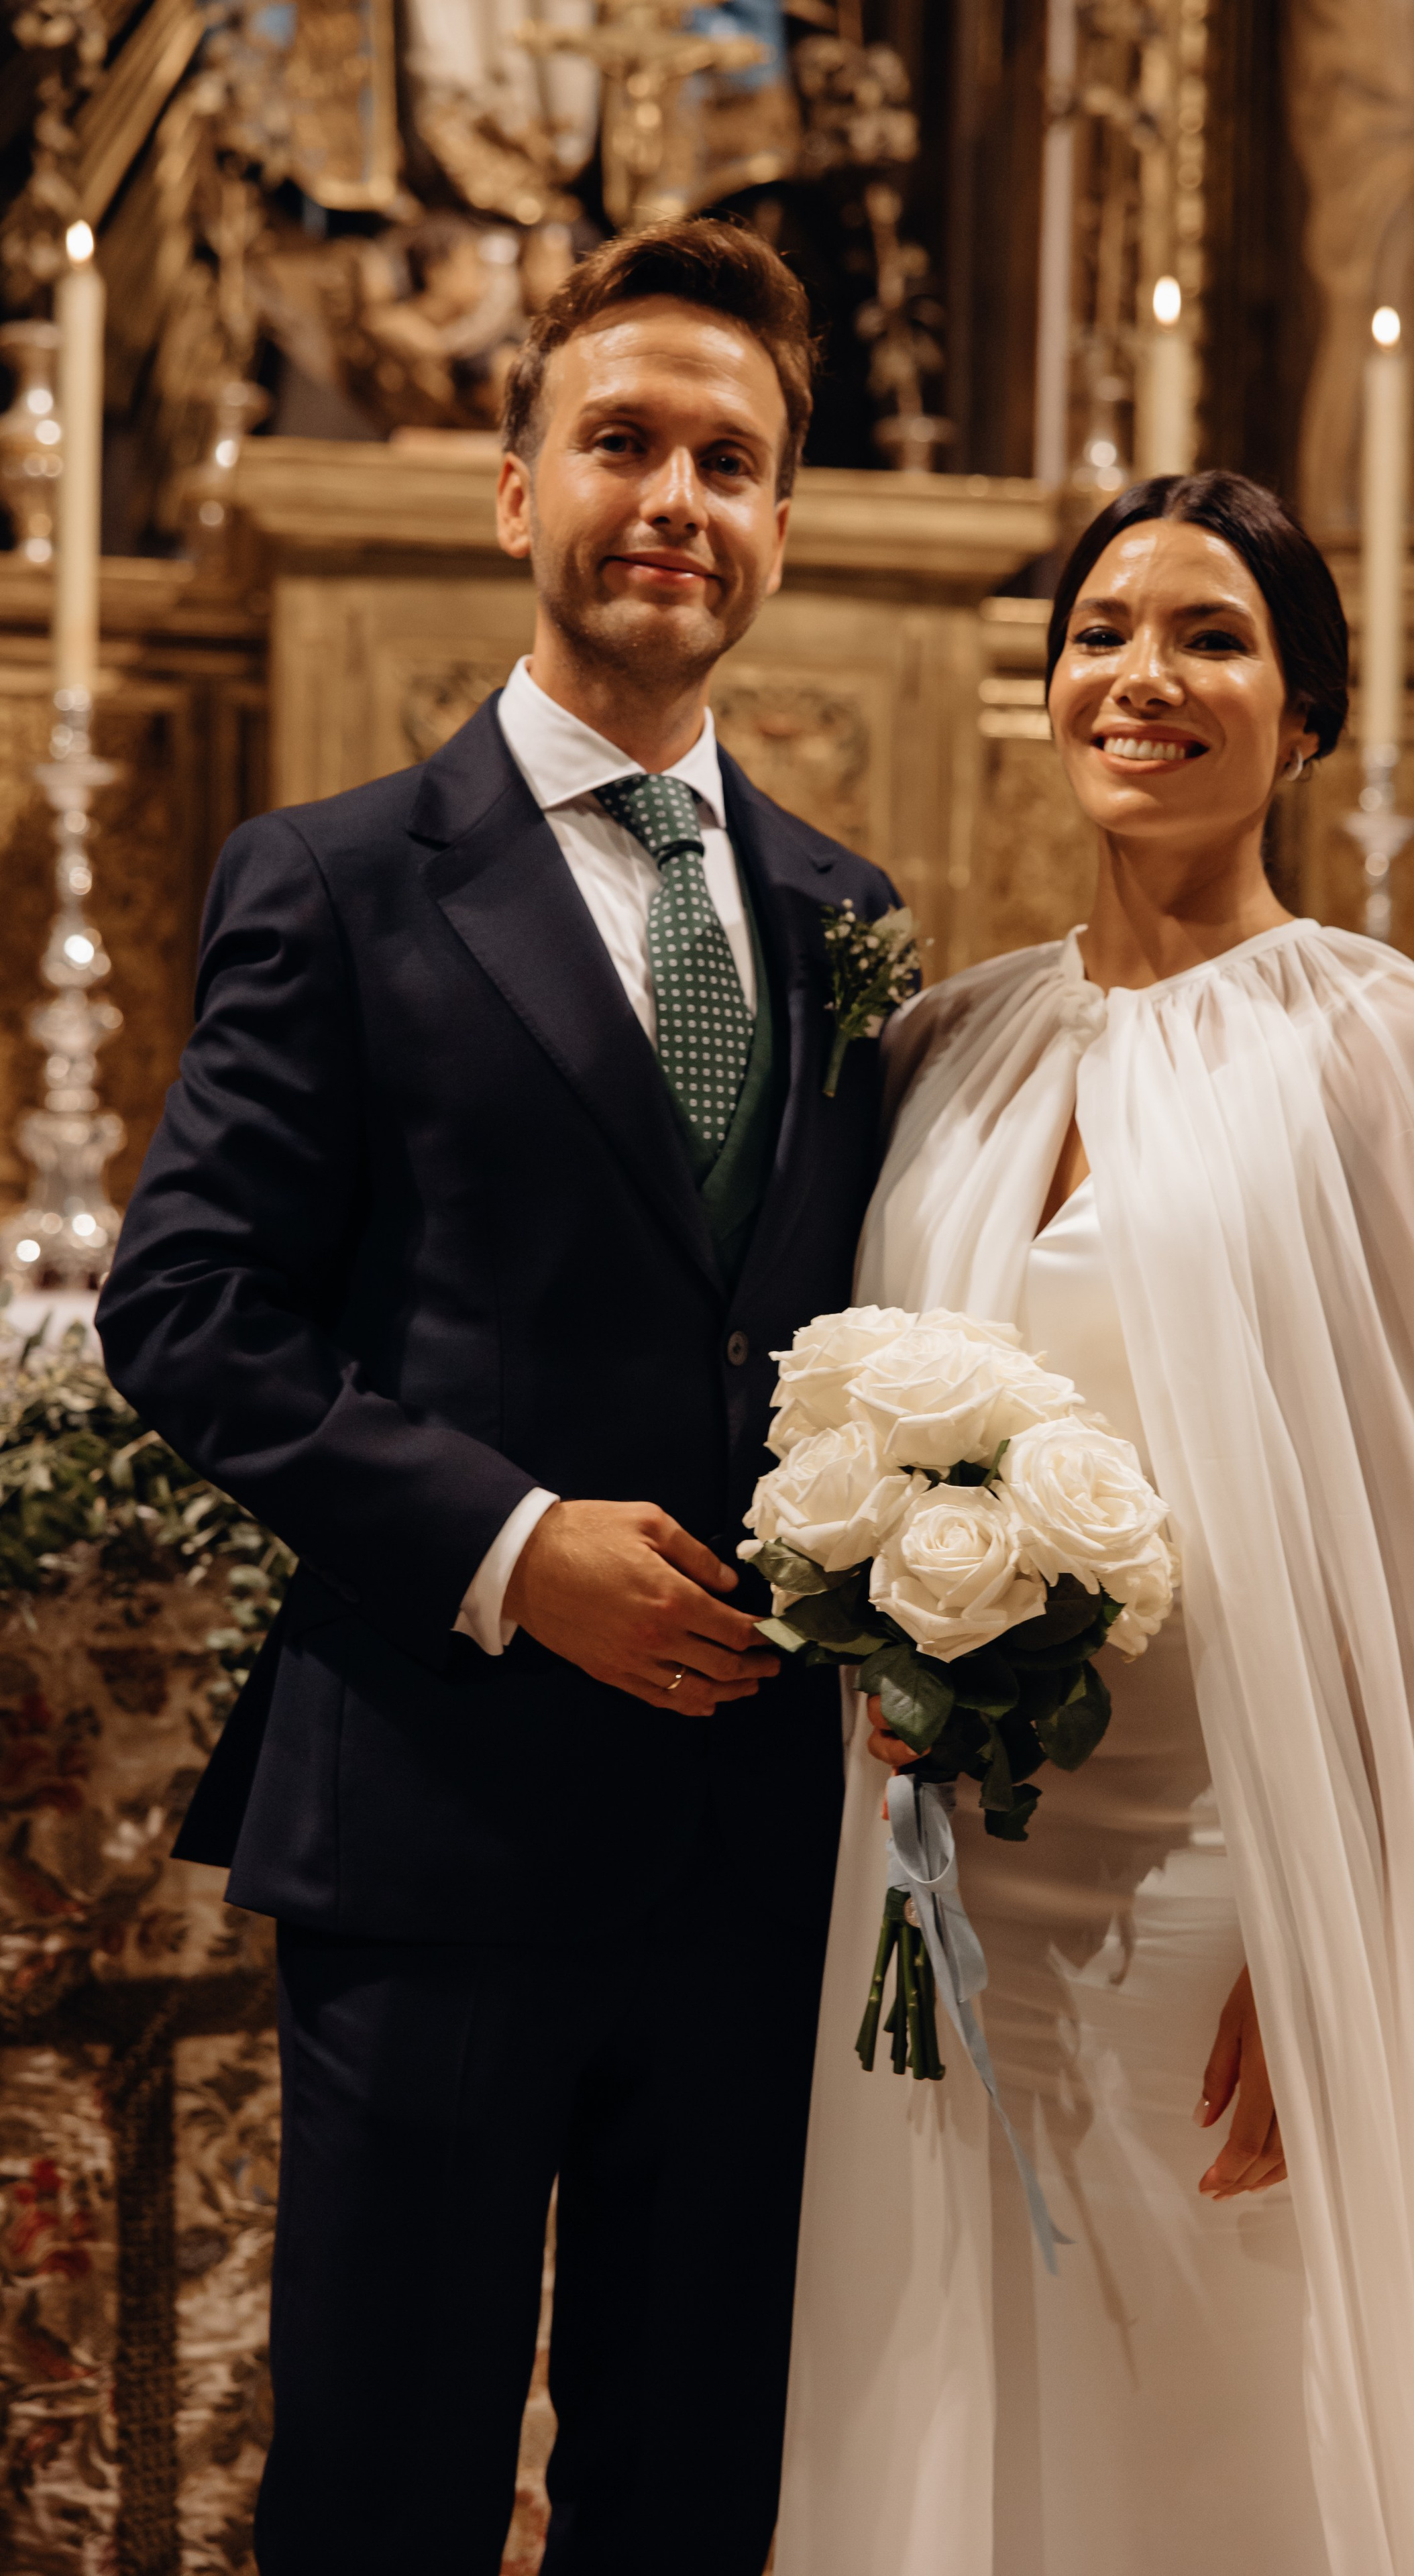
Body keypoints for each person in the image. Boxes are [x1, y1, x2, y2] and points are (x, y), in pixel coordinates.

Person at [96, 217, 899, 2576]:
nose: (677, 498)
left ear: (783, 523)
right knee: (388, 2480)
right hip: (437, 1829)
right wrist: (506, 1545)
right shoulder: (339, 883)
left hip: (758, 1853)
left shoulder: (849, 917)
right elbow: (191, 1306)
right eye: (623, 442)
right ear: (512, 488)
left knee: (695, 2485)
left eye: (730, 461)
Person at [775, 472, 1414, 2576]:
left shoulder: (1375, 1043)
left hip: (1217, 1856)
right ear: (1046, 690)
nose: (1144, 676)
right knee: (931, 2364)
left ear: (1301, 717)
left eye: (1212, 636)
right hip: (928, 1866)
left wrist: (1340, 1932)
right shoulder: (951, 1042)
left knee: (1190, 2396)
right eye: (1103, 630)